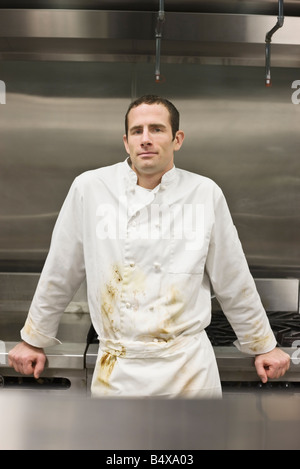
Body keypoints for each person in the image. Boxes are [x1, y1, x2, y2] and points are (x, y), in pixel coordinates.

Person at [8, 94, 290, 398]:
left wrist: (264, 345)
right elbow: (61, 269)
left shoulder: (204, 192)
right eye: (137, 131)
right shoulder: (90, 188)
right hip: (117, 368)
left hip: (188, 369)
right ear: (126, 141)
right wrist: (33, 339)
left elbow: (232, 276)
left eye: (156, 129)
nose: (146, 139)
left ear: (177, 139)